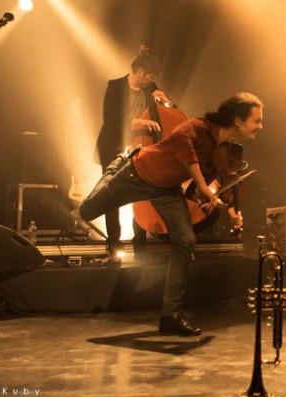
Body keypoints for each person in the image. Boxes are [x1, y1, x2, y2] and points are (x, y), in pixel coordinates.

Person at [80, 92, 264, 336]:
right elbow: (181, 142)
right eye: (256, 120)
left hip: (167, 190)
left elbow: (201, 190)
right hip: (138, 174)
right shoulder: (199, 127)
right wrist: (202, 184)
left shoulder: (220, 149)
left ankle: (171, 314)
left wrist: (227, 210)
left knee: (185, 241)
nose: (260, 126)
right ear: (238, 120)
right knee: (87, 211)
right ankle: (118, 164)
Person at [93, 46, 171, 260]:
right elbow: (110, 120)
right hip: (114, 146)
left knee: (141, 194)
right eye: (151, 76)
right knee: (112, 195)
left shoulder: (151, 88)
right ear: (140, 72)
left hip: (141, 147)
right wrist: (139, 122)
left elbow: (168, 114)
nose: (152, 81)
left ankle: (140, 243)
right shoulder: (115, 86)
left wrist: (166, 102)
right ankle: (113, 244)